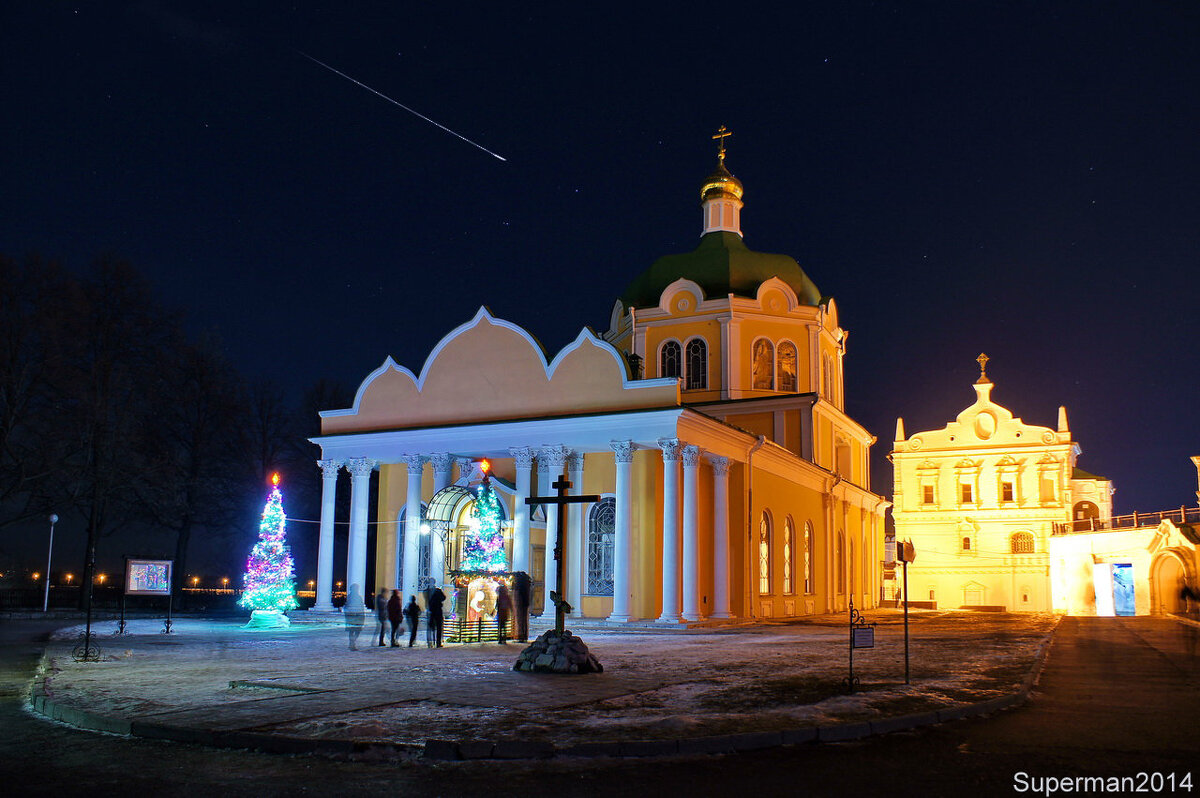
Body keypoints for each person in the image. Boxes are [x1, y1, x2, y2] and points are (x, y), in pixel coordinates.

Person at [344, 584, 366, 650]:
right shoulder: (351, 597)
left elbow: (361, 606)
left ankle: (352, 643)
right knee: (354, 630)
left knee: (354, 630)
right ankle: (352, 643)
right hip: (354, 616)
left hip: (355, 616)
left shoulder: (355, 597)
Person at [512, 571, 532, 642]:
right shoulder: (526, 585)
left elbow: (517, 597)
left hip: (520, 604)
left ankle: (520, 635)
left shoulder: (518, 586)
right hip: (525, 603)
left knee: (519, 619)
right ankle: (523, 636)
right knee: (523, 620)